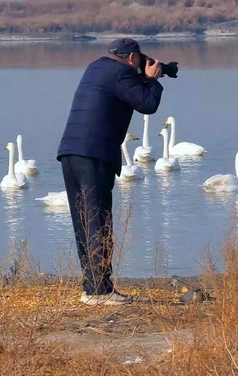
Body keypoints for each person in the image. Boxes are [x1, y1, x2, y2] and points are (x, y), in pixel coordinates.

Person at [56, 38, 177, 306]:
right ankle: (100, 291)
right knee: (99, 220)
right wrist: (153, 80)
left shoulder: (96, 67)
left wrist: (143, 77)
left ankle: (91, 288)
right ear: (132, 58)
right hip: (94, 153)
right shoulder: (121, 73)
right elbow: (147, 104)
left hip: (70, 152)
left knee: (83, 221)